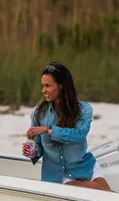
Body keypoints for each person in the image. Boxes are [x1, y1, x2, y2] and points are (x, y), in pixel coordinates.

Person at [22, 62, 112, 191]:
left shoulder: (84, 109)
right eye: (43, 86)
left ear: (61, 86)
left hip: (84, 167)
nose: (43, 90)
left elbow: (79, 135)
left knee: (111, 194)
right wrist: (31, 151)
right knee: (96, 189)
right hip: (58, 177)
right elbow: (38, 151)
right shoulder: (38, 113)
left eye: (47, 86)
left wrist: (48, 130)